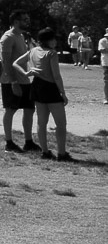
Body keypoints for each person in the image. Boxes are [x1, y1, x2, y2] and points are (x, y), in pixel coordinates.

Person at [14, 28, 73, 162]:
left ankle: (45, 151)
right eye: (54, 39)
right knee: (61, 123)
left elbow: (15, 63)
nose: (55, 41)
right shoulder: (51, 53)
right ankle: (62, 154)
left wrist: (26, 73)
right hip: (50, 88)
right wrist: (62, 93)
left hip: (37, 86)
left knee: (41, 121)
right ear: (48, 40)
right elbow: (56, 76)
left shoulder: (33, 51)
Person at [0, 10, 37, 153]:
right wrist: (13, 82)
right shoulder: (7, 38)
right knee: (11, 109)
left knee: (29, 109)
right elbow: (5, 61)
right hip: (11, 81)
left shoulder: (20, 36)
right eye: (24, 19)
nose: (27, 22)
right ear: (15, 21)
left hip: (24, 79)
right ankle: (9, 142)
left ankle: (29, 142)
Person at [99, 26, 108, 105]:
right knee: (106, 81)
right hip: (106, 63)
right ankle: (106, 98)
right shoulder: (102, 41)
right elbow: (102, 50)